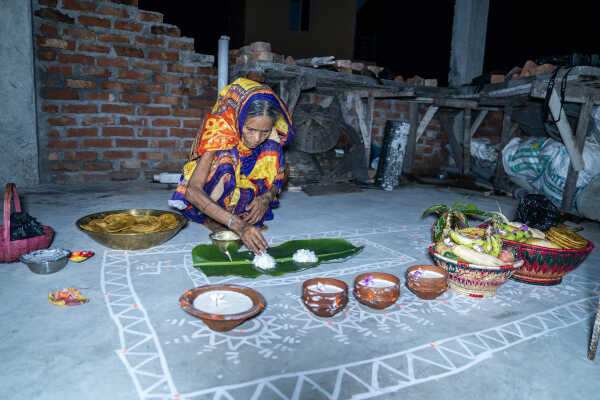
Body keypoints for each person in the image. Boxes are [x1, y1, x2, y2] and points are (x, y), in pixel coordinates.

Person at [169, 78, 294, 254]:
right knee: (225, 159)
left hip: (246, 198)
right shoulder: (219, 128)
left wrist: (266, 197)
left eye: (264, 131)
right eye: (250, 129)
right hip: (209, 200)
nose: (256, 138)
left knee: (272, 150)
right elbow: (192, 191)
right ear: (239, 118)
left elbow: (284, 172)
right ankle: (216, 218)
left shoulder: (270, 135)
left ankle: (240, 213)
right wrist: (238, 225)